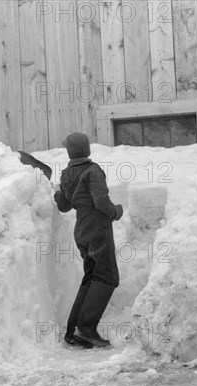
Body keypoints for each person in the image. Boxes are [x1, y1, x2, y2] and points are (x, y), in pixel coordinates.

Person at [53, 132, 124, 348]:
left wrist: (58, 193)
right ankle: (86, 328)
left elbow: (64, 206)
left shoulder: (66, 174)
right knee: (107, 277)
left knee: (91, 277)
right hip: (97, 228)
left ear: (69, 151)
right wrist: (115, 212)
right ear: (87, 150)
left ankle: (74, 329)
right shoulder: (93, 171)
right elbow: (101, 200)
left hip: (81, 230)